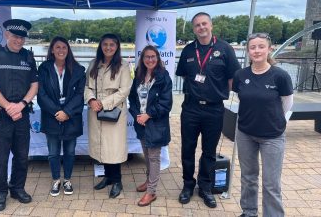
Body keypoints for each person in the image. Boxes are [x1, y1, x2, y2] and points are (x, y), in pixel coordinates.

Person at [175, 12, 241, 208]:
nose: (201, 28)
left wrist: (215, 93)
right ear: (194, 28)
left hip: (214, 109)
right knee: (187, 148)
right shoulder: (188, 50)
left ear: (211, 26)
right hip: (191, 109)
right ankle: (188, 185)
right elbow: (185, 77)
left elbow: (232, 79)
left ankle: (205, 186)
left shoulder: (225, 49)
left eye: (204, 24)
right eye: (197, 25)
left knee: (209, 151)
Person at [232, 33, 293, 217]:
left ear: (269, 49)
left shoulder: (280, 76)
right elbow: (239, 98)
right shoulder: (240, 75)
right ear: (248, 50)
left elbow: (287, 104)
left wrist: (273, 120)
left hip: (272, 136)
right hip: (245, 133)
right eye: (253, 47)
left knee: (271, 183)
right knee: (248, 177)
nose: (256, 51)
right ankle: (249, 211)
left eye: (261, 46)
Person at [0, 19, 38, 211]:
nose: (19, 41)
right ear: (7, 35)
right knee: (0, 157)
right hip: (0, 116)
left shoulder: (29, 57)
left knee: (22, 156)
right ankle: (0, 193)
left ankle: (17, 188)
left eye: (22, 37)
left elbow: (34, 85)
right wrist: (8, 107)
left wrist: (21, 105)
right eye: (15, 36)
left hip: (21, 114)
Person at [84, 33, 132, 198]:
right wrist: (91, 100)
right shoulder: (93, 64)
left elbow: (124, 91)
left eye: (112, 44)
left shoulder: (124, 66)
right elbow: (87, 86)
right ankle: (108, 177)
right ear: (101, 46)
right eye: (105, 44)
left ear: (117, 46)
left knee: (114, 147)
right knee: (101, 146)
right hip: (95, 109)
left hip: (114, 110)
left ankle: (117, 180)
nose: (108, 47)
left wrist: (103, 103)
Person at [37, 36, 86, 197]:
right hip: (52, 116)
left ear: (68, 50)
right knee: (53, 152)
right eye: (57, 47)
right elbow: (41, 94)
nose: (61, 50)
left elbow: (80, 95)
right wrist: (57, 112)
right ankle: (56, 179)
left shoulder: (78, 69)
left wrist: (67, 112)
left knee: (70, 151)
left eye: (64, 47)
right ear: (52, 49)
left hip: (71, 116)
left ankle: (68, 179)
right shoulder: (43, 68)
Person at [128, 45, 172, 206]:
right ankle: (148, 181)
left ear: (158, 58)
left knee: (154, 158)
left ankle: (151, 191)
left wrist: (148, 115)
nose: (150, 59)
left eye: (153, 56)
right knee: (146, 155)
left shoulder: (163, 77)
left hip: (156, 124)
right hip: (141, 123)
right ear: (143, 59)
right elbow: (132, 99)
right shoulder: (139, 76)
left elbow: (166, 103)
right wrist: (137, 116)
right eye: (147, 57)